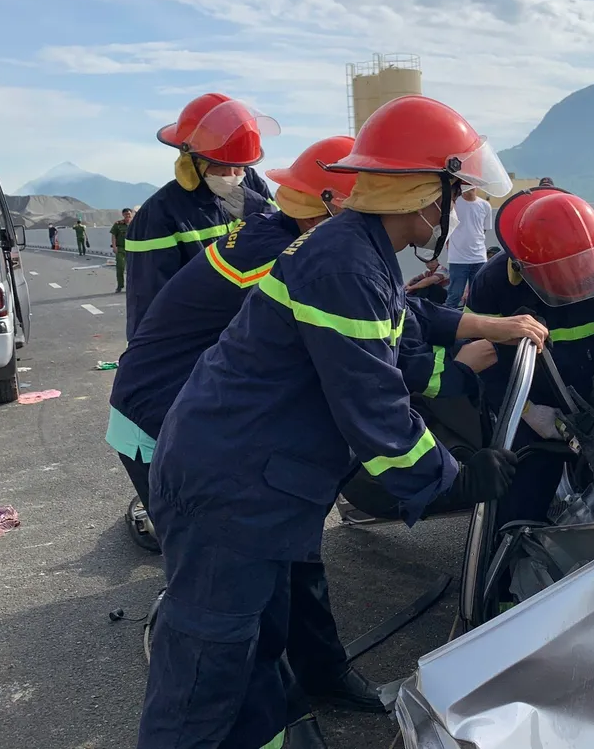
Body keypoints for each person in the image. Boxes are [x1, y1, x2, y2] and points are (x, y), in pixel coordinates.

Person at [137, 96, 547, 749]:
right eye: (451, 194)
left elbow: (401, 321)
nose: (454, 208)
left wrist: (487, 326)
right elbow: (375, 404)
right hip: (231, 488)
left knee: (259, 650)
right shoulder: (343, 262)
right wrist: (452, 479)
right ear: (420, 195)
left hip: (258, 483)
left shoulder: (358, 251)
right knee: (205, 669)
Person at [109, 137, 387, 736]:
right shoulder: (276, 243)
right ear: (334, 203)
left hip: (208, 406)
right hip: (175, 416)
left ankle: (309, 683)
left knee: (290, 562)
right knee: (223, 610)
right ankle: (261, 704)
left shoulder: (271, 214)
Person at [465, 185, 594, 527]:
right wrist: (528, 412)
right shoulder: (494, 286)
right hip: (530, 409)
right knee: (520, 501)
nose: (579, 281)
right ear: (523, 268)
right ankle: (511, 568)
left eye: (584, 268)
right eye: (564, 273)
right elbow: (480, 360)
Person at [124, 93, 276, 339]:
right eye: (220, 165)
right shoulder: (159, 216)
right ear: (192, 160)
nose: (232, 175)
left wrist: (264, 213)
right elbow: (149, 305)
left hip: (251, 337)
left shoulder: (253, 187)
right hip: (198, 343)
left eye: (239, 166)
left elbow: (285, 246)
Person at [444, 186, 493, 308]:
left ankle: (474, 323)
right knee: (455, 295)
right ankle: (448, 323)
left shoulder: (485, 206)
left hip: (479, 258)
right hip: (458, 259)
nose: (469, 187)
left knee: (478, 295)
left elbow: (483, 230)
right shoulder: (454, 203)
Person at [111, 208, 132, 293]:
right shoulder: (118, 224)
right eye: (126, 214)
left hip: (132, 249)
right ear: (123, 215)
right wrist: (114, 247)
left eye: (129, 214)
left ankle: (131, 286)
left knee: (132, 269)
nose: (128, 215)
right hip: (121, 249)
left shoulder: (135, 224)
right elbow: (113, 235)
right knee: (120, 267)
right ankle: (120, 285)